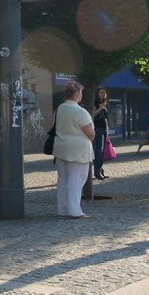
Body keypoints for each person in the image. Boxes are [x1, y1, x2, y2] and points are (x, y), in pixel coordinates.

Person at [53, 81, 95, 218]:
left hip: (61, 148)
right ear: (77, 94)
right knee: (76, 180)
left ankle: (63, 209)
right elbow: (90, 133)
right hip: (78, 151)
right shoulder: (80, 111)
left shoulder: (60, 108)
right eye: (81, 92)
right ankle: (74, 210)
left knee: (63, 179)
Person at [91, 87, 109, 179]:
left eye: (104, 92)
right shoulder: (95, 103)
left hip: (104, 129)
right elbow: (92, 114)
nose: (103, 94)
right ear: (98, 93)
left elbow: (105, 119)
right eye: (101, 92)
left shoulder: (104, 103)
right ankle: (97, 172)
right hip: (97, 129)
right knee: (98, 151)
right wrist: (100, 108)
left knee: (102, 152)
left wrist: (107, 130)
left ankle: (101, 170)